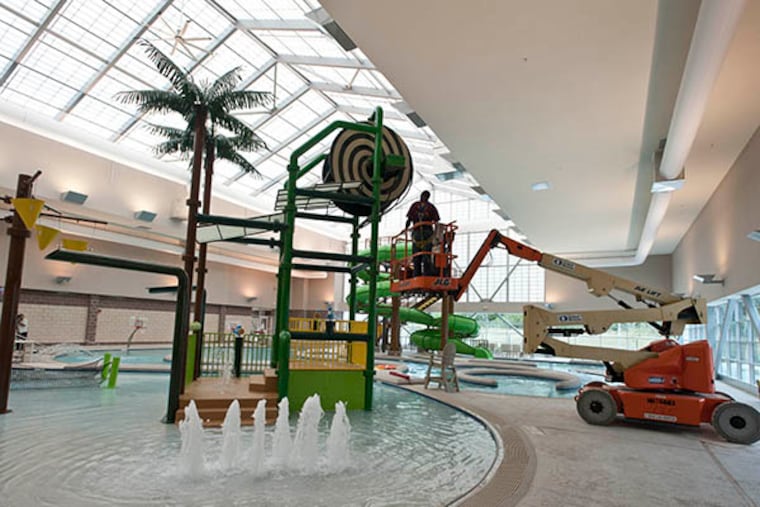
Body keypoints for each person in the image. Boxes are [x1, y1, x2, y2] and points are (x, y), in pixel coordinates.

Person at [406, 190, 440, 276]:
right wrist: (406, 229)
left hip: (425, 233)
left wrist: (435, 235)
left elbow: (436, 223)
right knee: (419, 256)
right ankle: (419, 274)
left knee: (424, 256)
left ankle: (424, 274)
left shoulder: (428, 207)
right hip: (419, 233)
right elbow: (409, 219)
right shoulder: (419, 206)